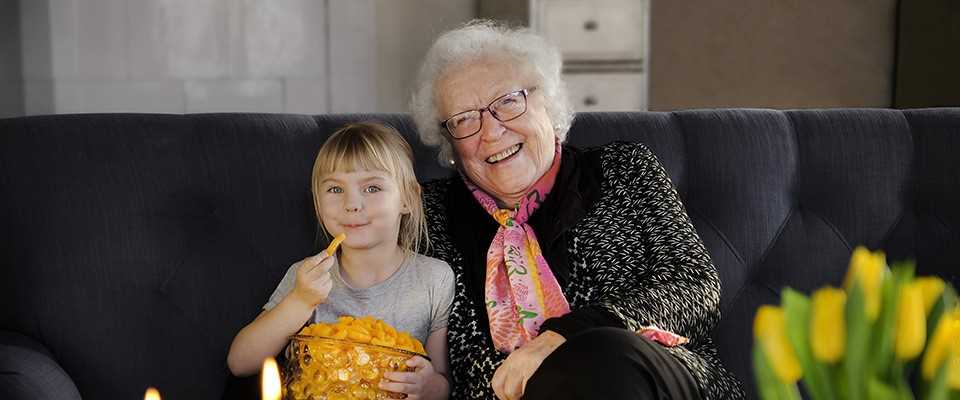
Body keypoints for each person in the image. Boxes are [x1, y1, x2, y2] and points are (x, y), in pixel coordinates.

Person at [410, 21, 745, 400]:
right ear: (450, 145)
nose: (490, 132)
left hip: (654, 377)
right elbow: (432, 346)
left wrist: (561, 337)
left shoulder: (623, 169)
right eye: (465, 119)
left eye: (507, 101)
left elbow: (694, 287)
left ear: (549, 103)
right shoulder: (431, 213)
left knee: (607, 355)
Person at [226, 122, 454, 400]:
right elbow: (240, 362)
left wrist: (431, 387)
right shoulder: (306, 277)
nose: (352, 203)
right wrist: (300, 301)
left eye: (372, 188)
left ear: (407, 199)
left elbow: (442, 379)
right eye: (335, 190)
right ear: (317, 203)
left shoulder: (434, 279)